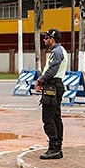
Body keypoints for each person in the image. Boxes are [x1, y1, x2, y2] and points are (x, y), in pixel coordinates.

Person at [33, 28, 69, 159]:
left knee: (48, 118)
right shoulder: (59, 50)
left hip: (52, 86)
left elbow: (52, 70)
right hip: (54, 85)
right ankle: (57, 147)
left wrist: (40, 80)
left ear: (52, 39)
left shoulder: (57, 52)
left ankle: (54, 148)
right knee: (55, 117)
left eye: (46, 38)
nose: (44, 40)